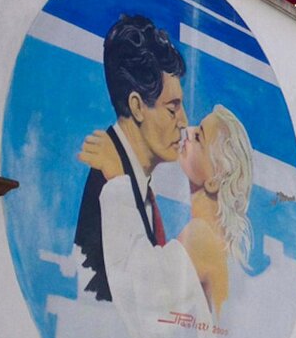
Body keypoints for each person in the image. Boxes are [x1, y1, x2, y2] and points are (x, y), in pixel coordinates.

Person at [79, 104, 255, 322]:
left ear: (213, 181)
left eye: (199, 136)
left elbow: (141, 291)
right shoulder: (216, 241)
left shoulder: (202, 236)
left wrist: (117, 178)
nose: (187, 131)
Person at [73, 14, 187, 303]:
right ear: (137, 106)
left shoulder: (129, 179)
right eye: (172, 108)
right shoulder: (109, 184)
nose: (184, 121)